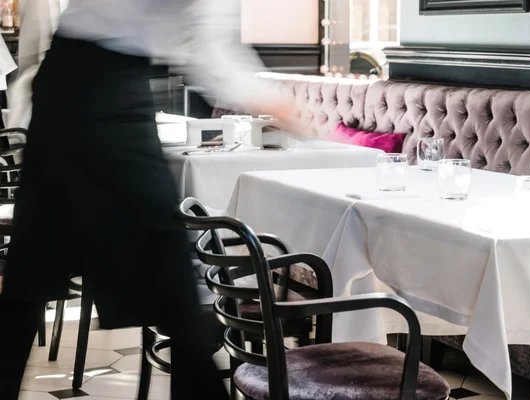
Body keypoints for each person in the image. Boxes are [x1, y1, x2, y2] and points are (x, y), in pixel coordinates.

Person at [0, 0, 304, 399]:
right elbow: (206, 45)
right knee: (166, 266)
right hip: (102, 93)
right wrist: (275, 103)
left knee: (34, 267)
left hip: (71, 85)